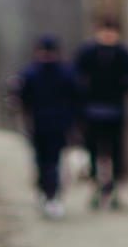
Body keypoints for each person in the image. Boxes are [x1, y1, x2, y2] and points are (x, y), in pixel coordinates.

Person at [73, 14, 128, 209]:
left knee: (116, 151)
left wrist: (123, 86)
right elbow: (76, 75)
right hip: (93, 110)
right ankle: (97, 186)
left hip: (115, 110)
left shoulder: (123, 52)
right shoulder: (89, 51)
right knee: (94, 150)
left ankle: (115, 189)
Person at [16, 35, 77, 219]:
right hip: (58, 123)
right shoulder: (66, 72)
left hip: (39, 122)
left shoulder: (30, 72)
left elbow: (21, 97)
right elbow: (76, 96)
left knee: (42, 160)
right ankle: (51, 194)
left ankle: (46, 191)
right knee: (53, 160)